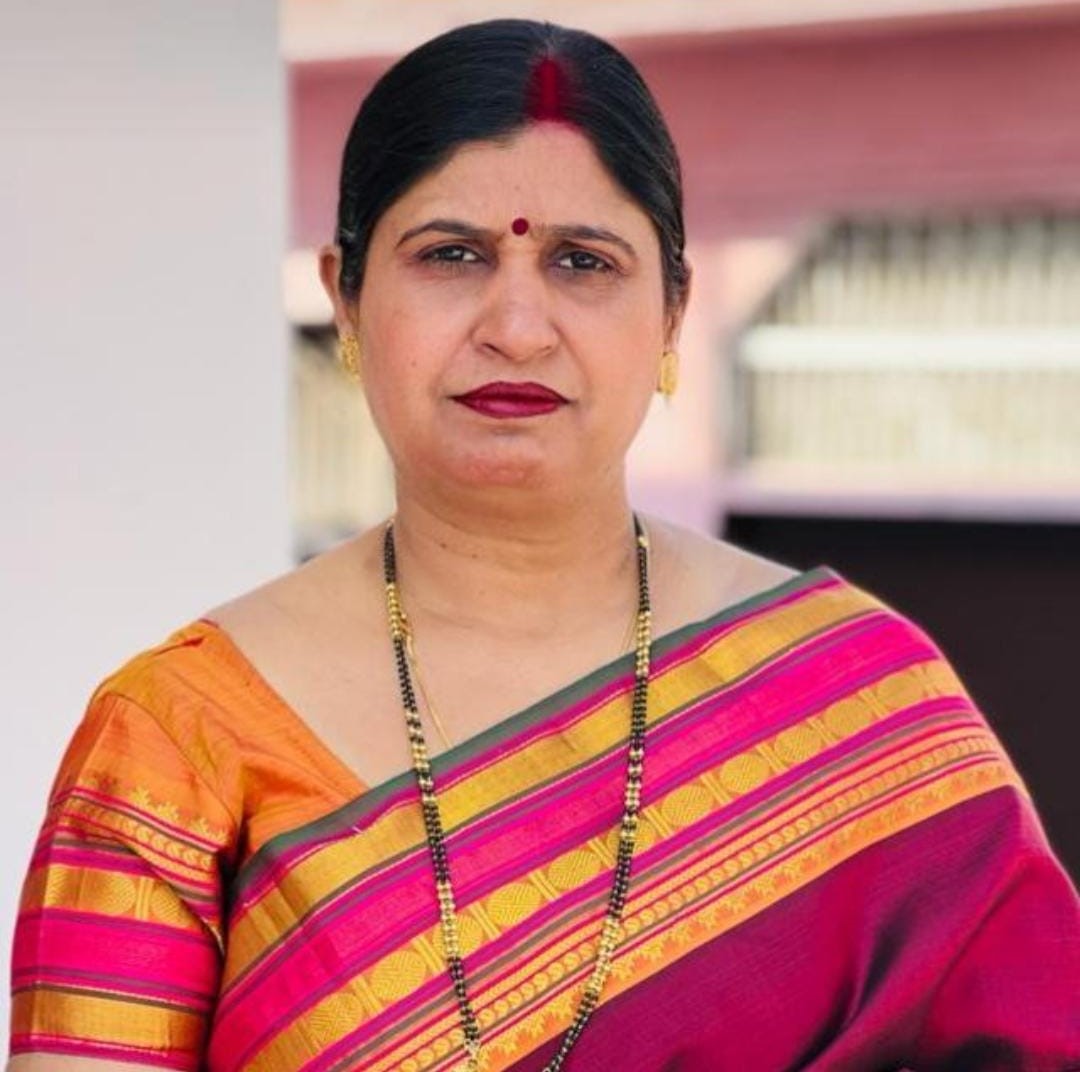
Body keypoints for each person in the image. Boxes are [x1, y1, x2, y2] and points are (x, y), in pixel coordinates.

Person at [8, 17, 1080, 1072]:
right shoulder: (179, 747)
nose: (517, 326)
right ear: (345, 295)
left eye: (582, 261)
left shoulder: (858, 700)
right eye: (450, 255)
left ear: (671, 310)